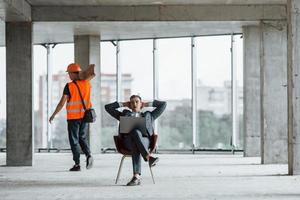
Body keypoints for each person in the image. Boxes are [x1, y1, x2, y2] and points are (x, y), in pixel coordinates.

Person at [105, 95, 166, 186]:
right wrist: (124, 104)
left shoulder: (149, 115)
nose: (134, 104)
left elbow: (163, 105)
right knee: (135, 134)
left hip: (145, 141)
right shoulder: (124, 114)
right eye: (132, 102)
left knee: (136, 137)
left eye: (137, 101)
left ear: (141, 103)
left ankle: (136, 177)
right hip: (128, 142)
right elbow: (108, 107)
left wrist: (147, 104)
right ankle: (148, 158)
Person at [49, 63, 95, 171]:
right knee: (82, 138)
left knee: (74, 140)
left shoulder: (69, 86)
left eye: (69, 73)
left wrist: (53, 115)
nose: (69, 75)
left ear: (75, 74)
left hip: (73, 118)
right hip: (85, 116)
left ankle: (77, 164)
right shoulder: (87, 84)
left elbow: (61, 103)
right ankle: (89, 155)